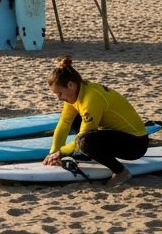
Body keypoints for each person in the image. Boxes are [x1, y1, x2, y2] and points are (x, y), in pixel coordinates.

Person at [42, 56, 149, 187]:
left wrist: (62, 152)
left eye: (59, 93)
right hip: (116, 135)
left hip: (135, 144)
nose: (59, 98)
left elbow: (83, 136)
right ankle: (89, 154)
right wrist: (53, 152)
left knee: (85, 142)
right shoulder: (76, 94)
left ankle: (121, 172)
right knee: (76, 120)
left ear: (71, 85)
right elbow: (64, 123)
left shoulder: (91, 98)